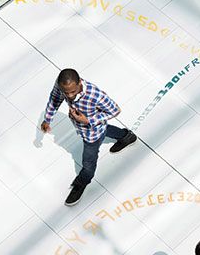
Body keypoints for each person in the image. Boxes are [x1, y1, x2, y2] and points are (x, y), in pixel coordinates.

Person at [40, 68, 136, 206]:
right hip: (87, 128)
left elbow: (116, 110)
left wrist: (89, 120)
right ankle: (127, 136)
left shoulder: (95, 95)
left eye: (73, 91)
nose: (70, 96)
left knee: (88, 164)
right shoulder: (61, 85)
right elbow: (55, 99)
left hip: (92, 134)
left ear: (79, 82)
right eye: (66, 92)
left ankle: (82, 182)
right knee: (106, 130)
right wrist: (47, 119)